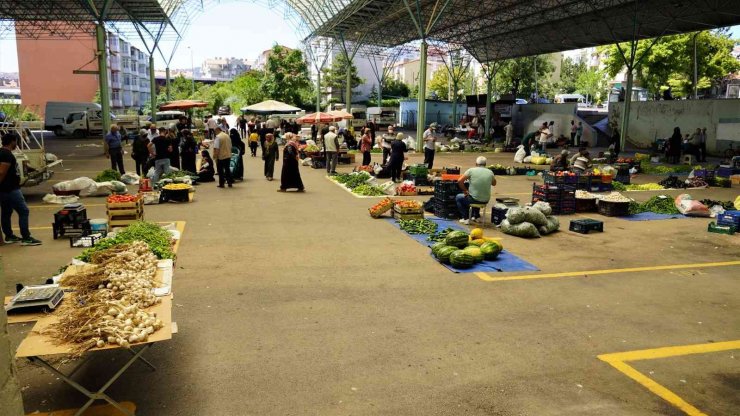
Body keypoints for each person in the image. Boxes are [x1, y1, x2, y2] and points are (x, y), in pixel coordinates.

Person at [0, 132, 41, 245]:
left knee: (6, 212)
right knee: (23, 211)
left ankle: (9, 236)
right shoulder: (6, 154)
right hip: (10, 189)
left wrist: (32, 169)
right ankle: (26, 237)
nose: (17, 144)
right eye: (16, 141)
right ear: (12, 141)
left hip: (6, 189)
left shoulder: (5, 153)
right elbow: (2, 172)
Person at [456, 156, 496, 225]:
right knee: (478, 192)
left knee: (459, 197)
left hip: (474, 199)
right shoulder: (490, 172)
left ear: (476, 164)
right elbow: (494, 183)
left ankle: (465, 218)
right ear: (485, 164)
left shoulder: (471, 170)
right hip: (485, 200)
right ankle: (476, 216)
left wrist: (465, 190)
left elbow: (459, 181)